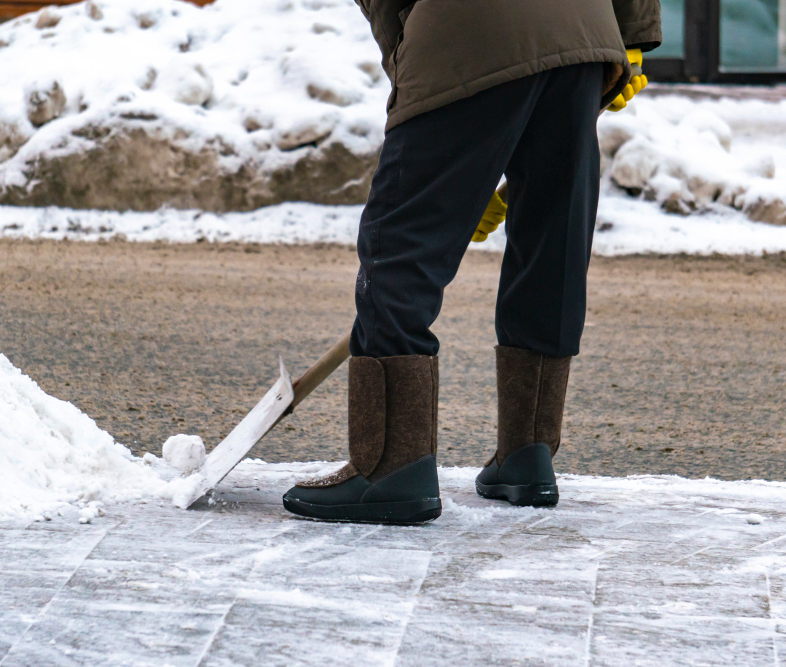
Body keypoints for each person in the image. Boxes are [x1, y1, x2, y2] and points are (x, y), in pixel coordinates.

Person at [283, 0, 661, 523]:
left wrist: (422, 86)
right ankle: (527, 455)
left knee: (401, 236)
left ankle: (389, 467)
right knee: (551, 237)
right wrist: (631, 35)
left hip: (468, 23)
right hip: (585, 31)